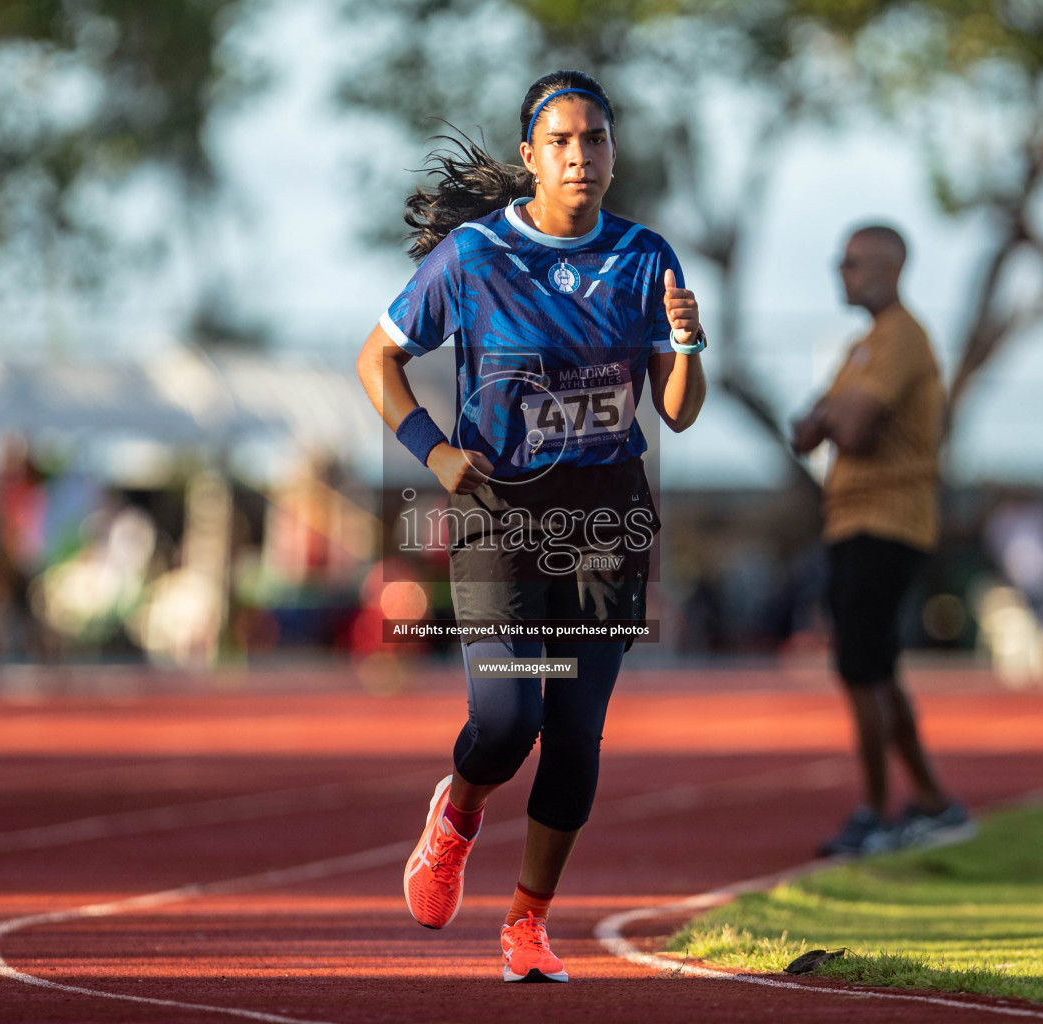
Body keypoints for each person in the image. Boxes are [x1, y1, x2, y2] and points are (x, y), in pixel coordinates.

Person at [354, 70, 707, 982]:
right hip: (499, 515)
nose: (580, 156)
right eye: (561, 141)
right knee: (509, 717)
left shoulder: (644, 258)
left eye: (594, 140)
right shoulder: (473, 259)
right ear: (530, 157)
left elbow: (678, 411)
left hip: (607, 514)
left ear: (614, 155)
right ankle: (458, 816)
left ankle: (528, 922)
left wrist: (690, 345)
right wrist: (433, 452)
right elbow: (376, 360)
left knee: (577, 730)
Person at [789, 224, 971, 856]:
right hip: (852, 521)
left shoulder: (902, 339)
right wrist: (831, 417)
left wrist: (831, 416)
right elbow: (806, 429)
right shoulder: (863, 347)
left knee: (862, 668)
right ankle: (932, 803)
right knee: (877, 670)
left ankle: (875, 810)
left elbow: (852, 428)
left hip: (888, 521)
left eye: (855, 262)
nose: (843, 272)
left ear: (892, 269)